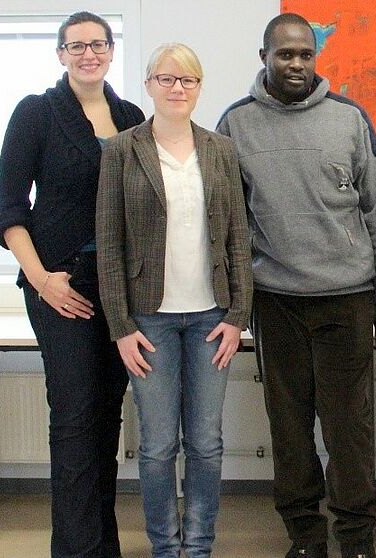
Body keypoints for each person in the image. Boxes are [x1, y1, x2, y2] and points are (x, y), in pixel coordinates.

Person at [216, 12, 376, 558]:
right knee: (289, 430)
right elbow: (230, 224)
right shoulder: (235, 123)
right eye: (285, 54)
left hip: (348, 299)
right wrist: (237, 306)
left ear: (317, 58)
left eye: (306, 54)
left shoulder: (350, 118)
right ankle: (306, 537)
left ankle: (356, 539)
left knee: (349, 431)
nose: (296, 64)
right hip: (277, 303)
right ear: (264, 56)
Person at [0, 11, 144, 557]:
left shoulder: (130, 116)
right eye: (75, 45)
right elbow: (10, 212)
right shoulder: (36, 113)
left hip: (118, 289)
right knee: (76, 417)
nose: (88, 54)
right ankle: (76, 551)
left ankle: (102, 545)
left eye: (98, 44)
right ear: (60, 54)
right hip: (60, 284)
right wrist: (41, 281)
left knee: (106, 417)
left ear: (110, 51)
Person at [95, 43, 253, 558]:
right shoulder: (121, 150)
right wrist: (120, 324)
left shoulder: (220, 149)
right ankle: (166, 546)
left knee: (206, 442)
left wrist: (237, 316)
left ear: (199, 87)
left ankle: (199, 544)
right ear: (149, 85)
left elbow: (237, 237)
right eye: (166, 79)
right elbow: (110, 242)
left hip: (211, 315)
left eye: (187, 80)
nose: (177, 89)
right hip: (148, 320)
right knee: (159, 445)